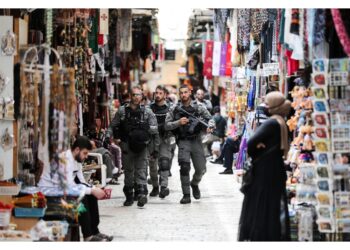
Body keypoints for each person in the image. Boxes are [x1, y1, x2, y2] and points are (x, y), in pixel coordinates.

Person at [238, 91, 291, 241]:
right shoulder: (281, 122)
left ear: (273, 106)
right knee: (272, 204)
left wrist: (259, 148)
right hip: (276, 168)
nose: (265, 107)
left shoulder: (271, 123)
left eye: (267, 104)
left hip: (264, 170)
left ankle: (260, 235)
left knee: (261, 204)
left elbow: (251, 143)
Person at [38, 136, 113, 241]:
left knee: (90, 195)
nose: (86, 156)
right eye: (85, 153)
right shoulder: (63, 160)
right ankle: (88, 236)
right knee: (81, 199)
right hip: (50, 194)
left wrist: (94, 188)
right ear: (77, 149)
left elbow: (81, 181)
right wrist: (92, 190)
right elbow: (69, 187)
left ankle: (94, 231)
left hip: (62, 191)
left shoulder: (77, 160)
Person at [105, 86, 158, 207]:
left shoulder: (147, 111)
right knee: (129, 171)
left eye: (138, 95)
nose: (136, 97)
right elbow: (113, 125)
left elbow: (155, 130)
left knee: (141, 170)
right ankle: (129, 194)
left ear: (142, 96)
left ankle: (141, 194)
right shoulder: (122, 110)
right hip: (127, 145)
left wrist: (153, 145)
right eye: (133, 95)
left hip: (142, 145)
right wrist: (107, 137)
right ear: (130, 96)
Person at [165, 84, 215, 204]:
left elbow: (210, 119)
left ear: (190, 93)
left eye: (185, 92)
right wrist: (178, 122)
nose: (183, 95)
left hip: (197, 140)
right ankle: (186, 195)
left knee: (201, 168)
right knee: (184, 167)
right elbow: (166, 125)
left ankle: (194, 183)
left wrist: (210, 127)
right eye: (181, 93)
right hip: (183, 141)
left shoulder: (199, 107)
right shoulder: (174, 108)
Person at [148, 85, 174, 198]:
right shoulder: (149, 108)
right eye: (156, 93)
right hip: (152, 140)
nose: (157, 95)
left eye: (160, 93)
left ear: (165, 95)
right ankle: (155, 187)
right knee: (153, 166)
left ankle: (164, 187)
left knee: (164, 163)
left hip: (165, 139)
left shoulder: (170, 108)